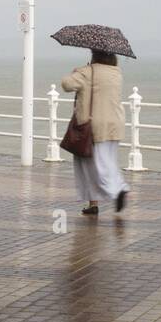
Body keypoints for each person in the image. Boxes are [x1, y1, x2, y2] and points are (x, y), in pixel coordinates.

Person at [61, 49, 128, 216]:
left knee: (94, 166)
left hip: (93, 127)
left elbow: (66, 84)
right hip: (115, 125)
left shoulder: (86, 72)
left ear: (94, 55)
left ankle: (118, 190)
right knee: (107, 162)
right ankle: (93, 203)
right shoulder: (116, 73)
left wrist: (76, 71)